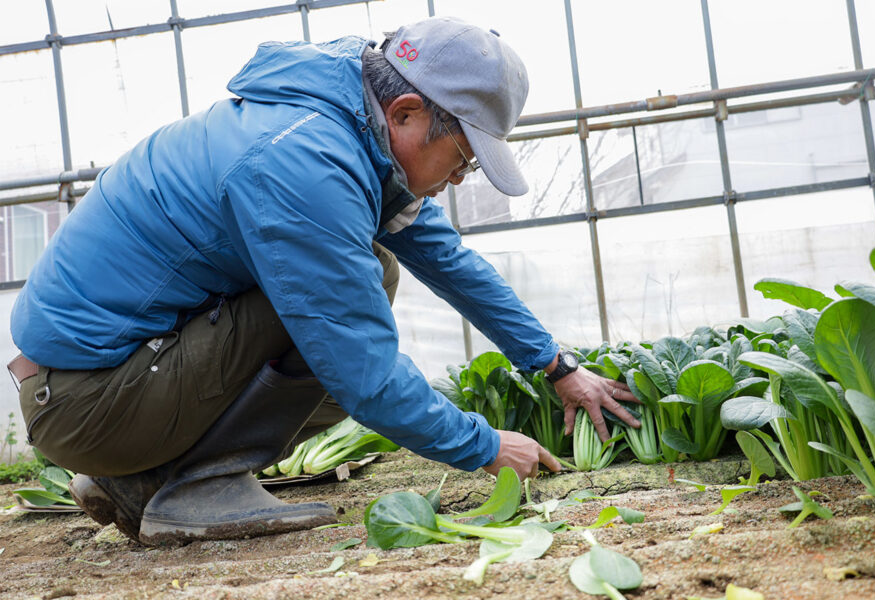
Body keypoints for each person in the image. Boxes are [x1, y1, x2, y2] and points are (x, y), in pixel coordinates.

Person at [7, 16, 640, 546]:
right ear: (407, 112)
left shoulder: (342, 128)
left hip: (109, 383)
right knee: (352, 298)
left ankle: (144, 482)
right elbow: (360, 371)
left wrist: (555, 365)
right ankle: (195, 487)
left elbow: (450, 262)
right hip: (86, 402)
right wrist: (483, 447)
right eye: (464, 157)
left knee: (366, 280)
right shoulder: (303, 165)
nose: (460, 178)